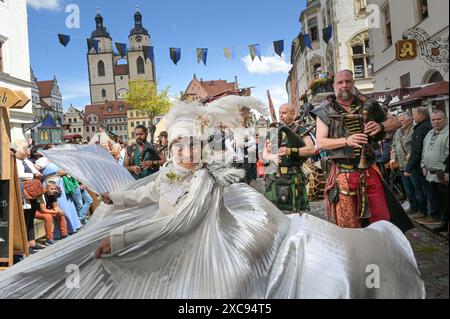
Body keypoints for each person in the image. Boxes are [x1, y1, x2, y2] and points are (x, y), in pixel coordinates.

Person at [0, 98, 425, 299]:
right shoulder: (168, 171)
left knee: (228, 290)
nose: (186, 154)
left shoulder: (201, 181)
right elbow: (145, 191)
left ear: (200, 149)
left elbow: (175, 223)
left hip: (210, 245)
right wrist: (116, 196)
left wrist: (121, 241)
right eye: (180, 146)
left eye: (192, 147)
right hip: (177, 245)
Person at [314, 70, 404, 229]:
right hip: (343, 174)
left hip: (370, 171)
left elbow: (396, 122)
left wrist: (380, 125)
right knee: (349, 225)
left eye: (348, 81)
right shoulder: (324, 110)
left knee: (382, 220)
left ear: (353, 83)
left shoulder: (368, 104)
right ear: (334, 86)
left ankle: (380, 250)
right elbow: (320, 143)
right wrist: (346, 141)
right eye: (340, 82)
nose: (344, 85)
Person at [263, 103, 315, 212]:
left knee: (295, 213)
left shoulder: (301, 130)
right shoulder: (273, 132)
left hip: (293, 176)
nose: (281, 115)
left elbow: (311, 149)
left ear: (293, 114)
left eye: (284, 113)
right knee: (274, 212)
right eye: (280, 113)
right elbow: (264, 154)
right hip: (274, 176)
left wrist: (290, 151)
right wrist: (272, 157)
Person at [418, 109, 448, 227]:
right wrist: (423, 165)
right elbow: (424, 151)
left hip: (443, 174)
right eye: (433, 120)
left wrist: (448, 172)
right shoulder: (430, 133)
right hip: (431, 174)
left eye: (439, 119)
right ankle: (445, 224)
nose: (436, 122)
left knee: (447, 202)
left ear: (445, 119)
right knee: (440, 203)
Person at [404, 107, 432, 221]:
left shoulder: (422, 128)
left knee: (423, 191)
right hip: (421, 165)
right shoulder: (422, 127)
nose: (413, 117)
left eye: (414, 114)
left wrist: (409, 168)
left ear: (421, 115)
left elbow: (416, 150)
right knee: (424, 190)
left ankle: (428, 213)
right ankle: (429, 212)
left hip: (420, 166)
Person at [390, 112, 417, 213]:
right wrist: (393, 158)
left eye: (402, 121)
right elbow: (393, 146)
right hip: (401, 165)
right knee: (408, 189)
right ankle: (413, 207)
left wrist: (411, 153)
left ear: (409, 119)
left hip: (412, 165)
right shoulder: (398, 131)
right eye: (399, 121)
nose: (400, 123)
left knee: (417, 188)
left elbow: (417, 145)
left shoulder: (415, 130)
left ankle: (421, 210)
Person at [35, 181, 68, 245]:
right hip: (37, 211)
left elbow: (55, 206)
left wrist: (59, 211)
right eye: (51, 189)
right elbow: (43, 210)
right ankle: (49, 238)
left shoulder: (54, 194)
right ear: (46, 189)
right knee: (48, 217)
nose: (54, 190)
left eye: (55, 189)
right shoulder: (42, 195)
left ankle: (64, 234)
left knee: (60, 214)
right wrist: (55, 211)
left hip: (48, 210)